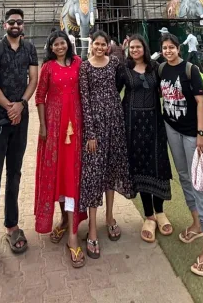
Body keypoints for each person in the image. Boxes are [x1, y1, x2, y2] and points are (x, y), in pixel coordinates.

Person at [0, 9, 38, 267]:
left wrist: (21, 105)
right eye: (11, 21)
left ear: (23, 25)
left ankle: (12, 225)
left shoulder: (29, 48)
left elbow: (33, 79)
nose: (15, 25)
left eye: (19, 22)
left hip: (20, 116)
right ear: (5, 25)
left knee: (15, 172)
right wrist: (9, 107)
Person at [159, 34, 203, 277]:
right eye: (164, 48)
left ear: (178, 48)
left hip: (192, 133)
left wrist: (201, 134)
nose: (168, 51)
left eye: (172, 47)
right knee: (184, 177)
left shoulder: (190, 70)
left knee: (200, 183)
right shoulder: (161, 69)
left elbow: (201, 102)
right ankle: (195, 222)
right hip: (172, 128)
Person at [35, 31, 86, 268]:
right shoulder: (47, 68)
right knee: (56, 174)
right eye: (55, 44)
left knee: (72, 174)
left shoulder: (78, 63)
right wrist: (43, 126)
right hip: (54, 128)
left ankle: (73, 232)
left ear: (68, 44)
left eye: (62, 42)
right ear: (51, 47)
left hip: (75, 125)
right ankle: (64, 220)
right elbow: (40, 97)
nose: (59, 46)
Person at [79, 31, 132, 259]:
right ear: (91, 45)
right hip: (95, 127)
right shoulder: (85, 67)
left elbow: (122, 84)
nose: (100, 47)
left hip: (115, 121)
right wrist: (90, 133)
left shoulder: (115, 64)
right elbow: (84, 99)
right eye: (96, 44)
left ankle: (109, 216)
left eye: (103, 44)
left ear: (108, 47)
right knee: (93, 175)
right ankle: (92, 228)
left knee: (110, 171)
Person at [117, 35, 172, 243]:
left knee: (157, 166)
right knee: (139, 168)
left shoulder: (155, 68)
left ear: (144, 48)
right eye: (132, 47)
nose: (135, 50)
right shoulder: (124, 69)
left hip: (154, 124)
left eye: (138, 47)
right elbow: (114, 93)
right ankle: (148, 215)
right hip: (132, 125)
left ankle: (160, 212)